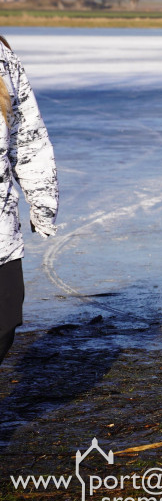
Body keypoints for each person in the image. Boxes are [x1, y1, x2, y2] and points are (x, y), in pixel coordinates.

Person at [0, 35, 58, 366]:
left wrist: (42, 202)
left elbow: (28, 140)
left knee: (5, 321)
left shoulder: (3, 59)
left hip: (1, 228)